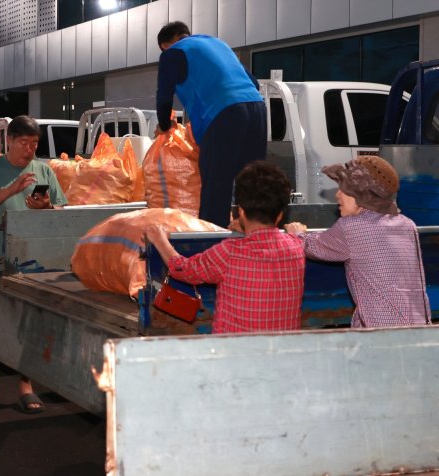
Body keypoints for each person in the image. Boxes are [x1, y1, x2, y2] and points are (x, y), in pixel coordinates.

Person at [0, 115, 68, 416]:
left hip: (31, 262)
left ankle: (26, 386)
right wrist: (11, 190)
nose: (29, 150)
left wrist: (47, 207)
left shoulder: (44, 170)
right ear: (8, 140)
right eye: (24, 143)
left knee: (28, 324)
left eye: (34, 144)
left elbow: (62, 209)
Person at [145, 161, 305, 333]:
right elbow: (276, 240)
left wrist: (159, 240)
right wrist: (296, 233)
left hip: (233, 355)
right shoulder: (297, 248)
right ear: (280, 214)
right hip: (281, 354)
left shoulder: (229, 252)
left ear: (241, 211)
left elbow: (183, 269)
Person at [285, 156, 430, 327]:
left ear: (363, 195)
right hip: (418, 326)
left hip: (379, 333)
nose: (338, 195)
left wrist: (298, 233)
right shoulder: (407, 224)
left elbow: (313, 246)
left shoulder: (352, 227)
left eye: (345, 190)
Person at [156, 21, 266, 228]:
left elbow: (164, 96)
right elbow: (254, 82)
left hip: (224, 113)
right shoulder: (219, 44)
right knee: (253, 182)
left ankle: (211, 244)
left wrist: (164, 124)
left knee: (217, 185)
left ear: (170, 42)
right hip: (257, 109)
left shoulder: (173, 53)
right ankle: (258, 239)